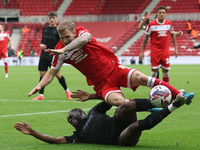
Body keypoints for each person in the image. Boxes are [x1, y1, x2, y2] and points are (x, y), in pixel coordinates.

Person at [28, 19, 194, 108]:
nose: (64, 41)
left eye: (67, 37)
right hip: (101, 84)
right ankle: (151, 106)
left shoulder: (81, 33)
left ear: (74, 32)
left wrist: (64, 49)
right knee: (119, 102)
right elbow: (50, 73)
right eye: (62, 38)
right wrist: (39, 85)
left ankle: (179, 94)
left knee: (142, 78)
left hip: (114, 69)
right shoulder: (59, 51)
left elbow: (83, 40)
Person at [14, 94, 190, 146]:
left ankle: (153, 103)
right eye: (69, 120)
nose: (70, 120)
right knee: (136, 126)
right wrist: (33, 133)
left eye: (71, 117)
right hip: (121, 138)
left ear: (80, 113)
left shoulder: (93, 112)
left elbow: (110, 97)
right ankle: (174, 105)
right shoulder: (78, 136)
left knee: (124, 106)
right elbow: (56, 140)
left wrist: (90, 95)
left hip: (118, 122)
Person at [32, 11, 72, 100]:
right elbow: (42, 41)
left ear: (56, 19)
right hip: (44, 54)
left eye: (53, 18)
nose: (52, 19)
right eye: (50, 18)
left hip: (53, 54)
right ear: (48, 19)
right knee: (42, 73)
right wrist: (41, 45)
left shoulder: (58, 31)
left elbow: (62, 43)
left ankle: (67, 91)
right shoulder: (45, 29)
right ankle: (40, 95)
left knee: (58, 75)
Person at [139, 6, 178, 84]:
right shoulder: (151, 24)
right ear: (157, 13)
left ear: (165, 14)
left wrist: (176, 49)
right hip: (155, 52)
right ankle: (153, 92)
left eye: (163, 13)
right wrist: (142, 51)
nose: (161, 14)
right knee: (154, 72)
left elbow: (173, 35)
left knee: (166, 72)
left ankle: (167, 91)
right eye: (160, 13)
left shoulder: (169, 23)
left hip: (165, 52)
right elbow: (145, 38)